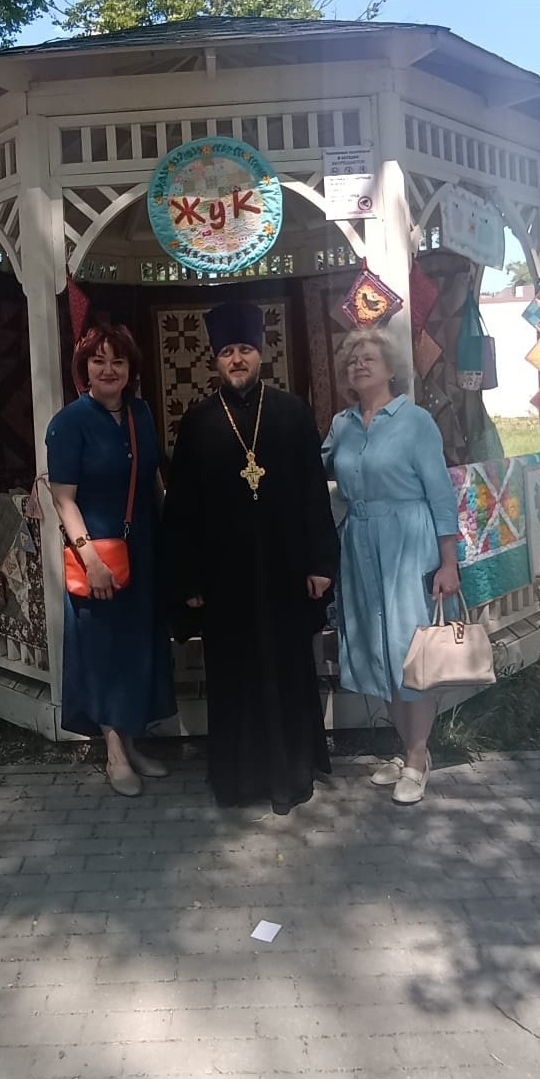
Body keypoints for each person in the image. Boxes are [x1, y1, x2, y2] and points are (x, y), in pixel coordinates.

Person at [163, 301, 339, 816]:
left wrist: (320, 563)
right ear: (215, 360)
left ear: (260, 353)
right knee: (234, 675)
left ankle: (289, 775)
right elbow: (182, 508)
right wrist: (189, 579)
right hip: (224, 578)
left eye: (244, 349)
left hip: (285, 570)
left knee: (286, 669)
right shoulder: (197, 422)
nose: (236, 359)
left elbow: (313, 494)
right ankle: (238, 780)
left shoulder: (292, 413)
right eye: (227, 352)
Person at [323, 328, 461, 806]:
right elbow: (315, 471)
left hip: (408, 544)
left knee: (410, 652)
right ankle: (407, 751)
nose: (359, 365)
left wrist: (448, 562)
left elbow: (441, 494)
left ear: (390, 369)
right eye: (352, 360)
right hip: (360, 546)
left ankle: (418, 758)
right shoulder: (342, 425)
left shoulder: (415, 421)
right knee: (378, 651)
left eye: (369, 358)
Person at [45, 325, 175, 797]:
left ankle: (133, 744)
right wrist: (91, 559)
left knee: (137, 648)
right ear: (84, 368)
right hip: (96, 554)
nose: (108, 369)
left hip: (143, 548)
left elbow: (153, 478)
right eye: (98, 360)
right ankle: (114, 754)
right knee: (103, 652)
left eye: (117, 361)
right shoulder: (68, 422)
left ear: (130, 369)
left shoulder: (141, 413)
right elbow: (63, 499)